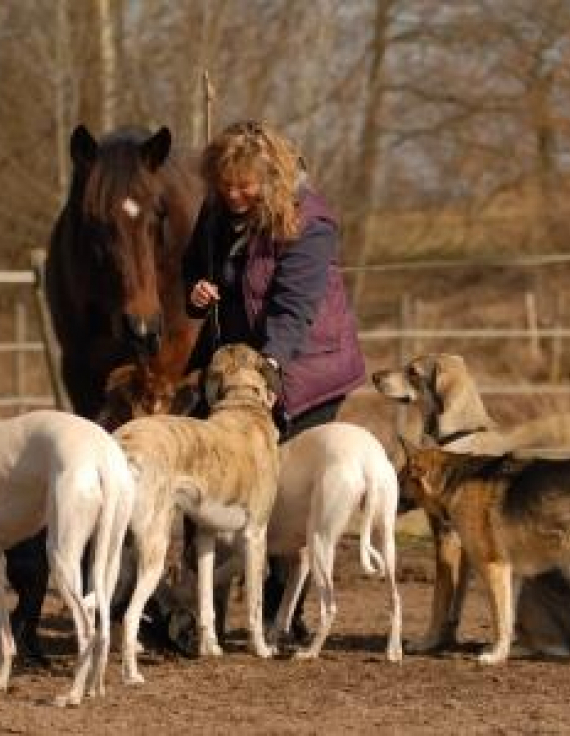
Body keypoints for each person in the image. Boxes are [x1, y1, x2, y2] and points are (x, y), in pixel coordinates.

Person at [182, 119, 366, 641]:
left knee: (284, 493)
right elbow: (195, 266)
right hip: (232, 367)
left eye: (245, 186)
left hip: (304, 367)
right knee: (207, 476)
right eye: (224, 185)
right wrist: (195, 292)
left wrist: (266, 376)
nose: (233, 195)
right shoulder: (218, 211)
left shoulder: (311, 223)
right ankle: (198, 615)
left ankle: (283, 616)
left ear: (273, 178)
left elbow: (293, 310)